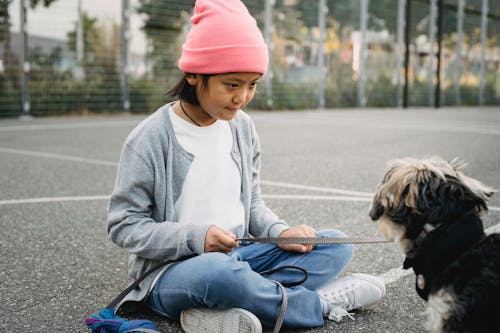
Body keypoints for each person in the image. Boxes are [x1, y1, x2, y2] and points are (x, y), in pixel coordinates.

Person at [107, 0, 385, 332]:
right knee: (218, 274)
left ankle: (230, 307)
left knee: (335, 244)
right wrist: (196, 237)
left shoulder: (242, 128)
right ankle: (316, 304)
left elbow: (252, 204)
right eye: (232, 84)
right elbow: (124, 225)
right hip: (172, 274)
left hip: (242, 261)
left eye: (252, 84)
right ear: (195, 74)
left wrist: (280, 234)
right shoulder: (151, 138)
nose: (242, 97)